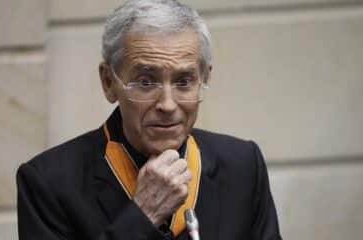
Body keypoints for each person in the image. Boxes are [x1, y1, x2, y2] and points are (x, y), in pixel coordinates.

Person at [16, 0, 282, 239]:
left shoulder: (243, 165)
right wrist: (142, 216)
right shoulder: (49, 183)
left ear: (204, 79)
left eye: (184, 82)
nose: (167, 104)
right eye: (145, 82)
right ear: (109, 82)